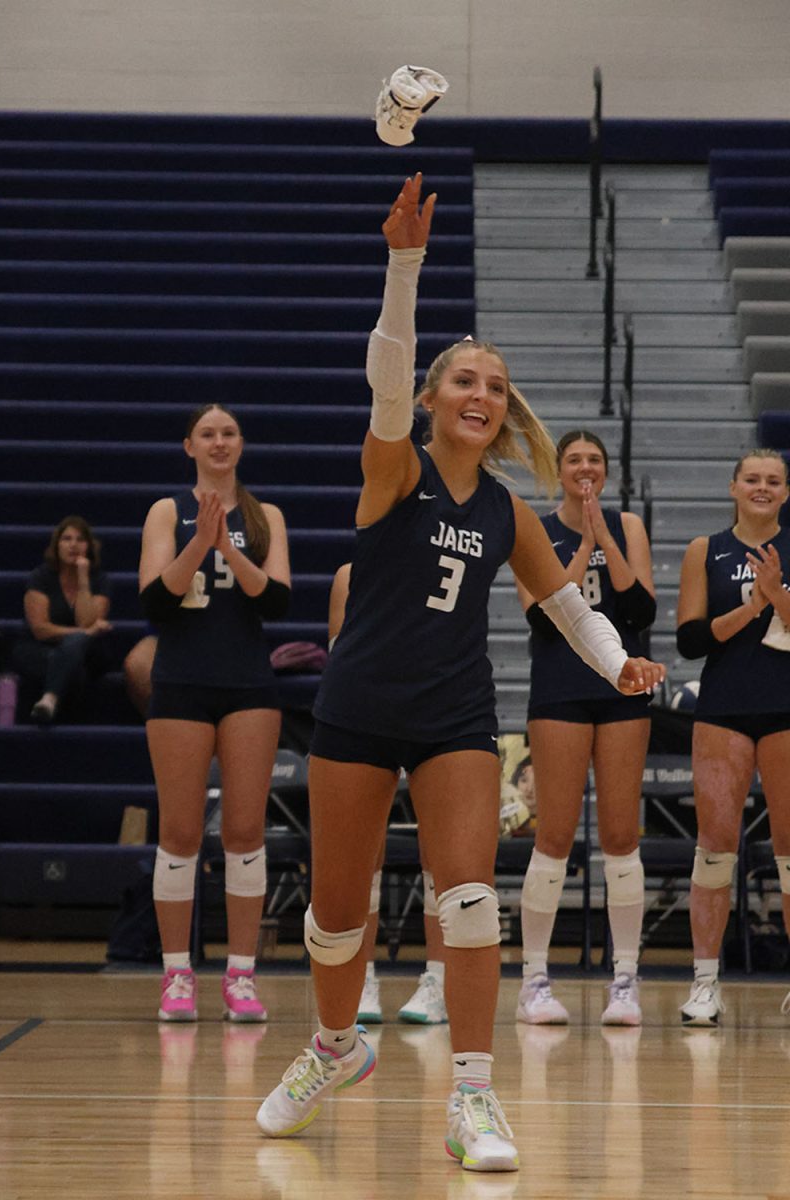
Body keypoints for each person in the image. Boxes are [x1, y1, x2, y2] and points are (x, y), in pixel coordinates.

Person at [255, 174, 664, 1172]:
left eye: (493, 383)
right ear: (433, 401)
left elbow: (564, 605)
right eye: (462, 381)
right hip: (355, 707)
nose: (479, 395)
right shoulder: (393, 469)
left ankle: (473, 1099)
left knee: (468, 899)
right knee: (335, 912)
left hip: (453, 716)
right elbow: (385, 377)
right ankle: (330, 1049)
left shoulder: (507, 512)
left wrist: (615, 663)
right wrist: (405, 264)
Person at [138, 402, 291, 1024]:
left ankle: (241, 976)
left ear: (241, 444)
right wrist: (198, 542)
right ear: (189, 446)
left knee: (245, 833)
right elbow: (154, 602)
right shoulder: (166, 512)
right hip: (180, 682)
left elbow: (277, 600)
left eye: (228, 433)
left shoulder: (265, 515)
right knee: (178, 833)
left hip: (248, 684)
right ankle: (178, 975)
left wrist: (227, 547)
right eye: (208, 433)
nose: (219, 441)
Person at [515, 431, 657, 1027]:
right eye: (574, 459)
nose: (585, 467)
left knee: (622, 834)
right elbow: (543, 613)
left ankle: (625, 979)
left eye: (594, 459)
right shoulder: (536, 531)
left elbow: (641, 610)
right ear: (560, 469)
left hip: (623, 688)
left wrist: (604, 535)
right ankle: (534, 980)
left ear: (607, 468)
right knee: (554, 834)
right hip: (559, 690)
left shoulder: (628, 527)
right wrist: (579, 544)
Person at [676, 448, 790, 1026]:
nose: (762, 488)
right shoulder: (706, 550)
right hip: (723, 709)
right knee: (715, 846)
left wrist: (781, 596)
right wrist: (754, 604)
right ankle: (704, 983)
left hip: (786, 711)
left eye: (773, 481)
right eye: (753, 479)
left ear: (786, 493)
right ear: (733, 487)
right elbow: (691, 640)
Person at [328, 562, 448, 1026]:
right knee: (364, 854)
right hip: (369, 713)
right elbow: (342, 657)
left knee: (439, 850)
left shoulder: (439, 561)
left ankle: (437, 980)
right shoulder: (350, 576)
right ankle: (364, 976)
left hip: (433, 710)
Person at [11, 515, 113, 723]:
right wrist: (85, 633)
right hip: (41, 648)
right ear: (56, 545)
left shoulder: (99, 580)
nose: (73, 545)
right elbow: (41, 630)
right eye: (67, 539)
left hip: (87, 652)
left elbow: (86, 622)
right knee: (74, 671)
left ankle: (49, 699)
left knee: (78, 647)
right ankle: (52, 702)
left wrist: (83, 579)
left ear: (89, 546)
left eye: (80, 539)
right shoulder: (40, 577)